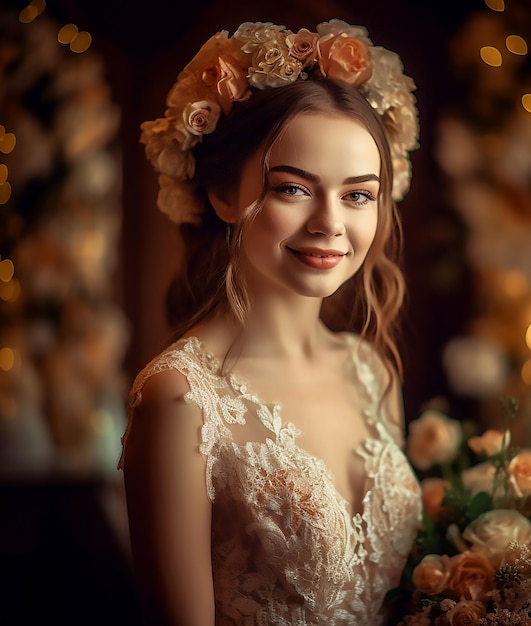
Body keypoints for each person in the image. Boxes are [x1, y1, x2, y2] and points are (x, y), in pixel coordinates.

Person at [119, 18, 423, 626]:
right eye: (293, 189)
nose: (330, 223)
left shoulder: (369, 371)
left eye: (358, 194)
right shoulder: (180, 399)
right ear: (224, 195)